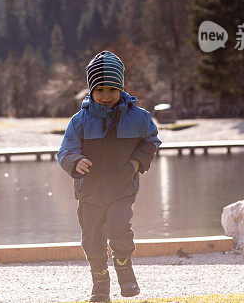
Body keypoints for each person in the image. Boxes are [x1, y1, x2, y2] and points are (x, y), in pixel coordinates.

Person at [57, 50, 161, 302]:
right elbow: (65, 150)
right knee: (92, 240)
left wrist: (136, 162)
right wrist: (75, 160)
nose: (106, 96)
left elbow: (152, 141)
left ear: (121, 88)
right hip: (89, 192)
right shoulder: (80, 121)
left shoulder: (139, 117)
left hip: (122, 188)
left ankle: (124, 268)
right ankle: (100, 285)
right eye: (100, 90)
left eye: (112, 90)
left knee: (118, 228)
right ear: (91, 90)